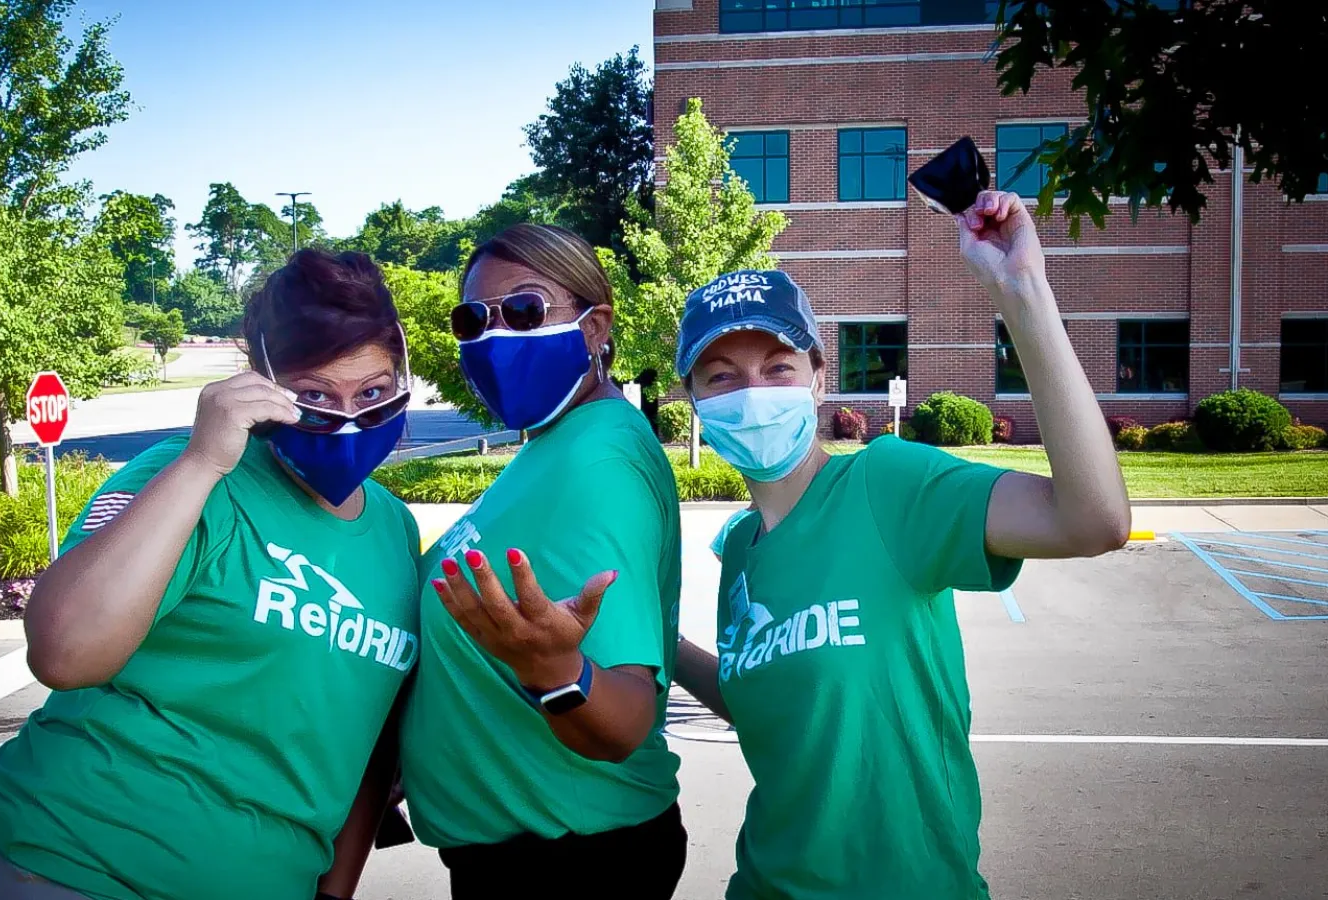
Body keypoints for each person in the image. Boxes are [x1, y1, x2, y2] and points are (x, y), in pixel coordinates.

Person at [673, 191, 1131, 899]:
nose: (752, 392)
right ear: (694, 400)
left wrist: (1023, 292)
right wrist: (659, 642)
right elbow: (771, 699)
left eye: (777, 367)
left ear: (819, 377)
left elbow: (1092, 520)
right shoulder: (739, 550)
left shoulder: (888, 486)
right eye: (722, 377)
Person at [0, 250, 424, 900]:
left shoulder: (396, 532)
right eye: (314, 396)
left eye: (373, 393)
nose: (347, 421)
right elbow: (64, 651)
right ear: (260, 382)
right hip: (76, 865)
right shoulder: (185, 477)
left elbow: (367, 740)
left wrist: (335, 890)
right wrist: (204, 458)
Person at [399, 224, 687, 900]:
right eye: (475, 319)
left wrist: (555, 671)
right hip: (526, 853)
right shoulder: (560, 441)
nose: (495, 337)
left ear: (595, 328)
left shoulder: (598, 460)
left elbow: (623, 722)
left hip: (569, 862)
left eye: (526, 310)